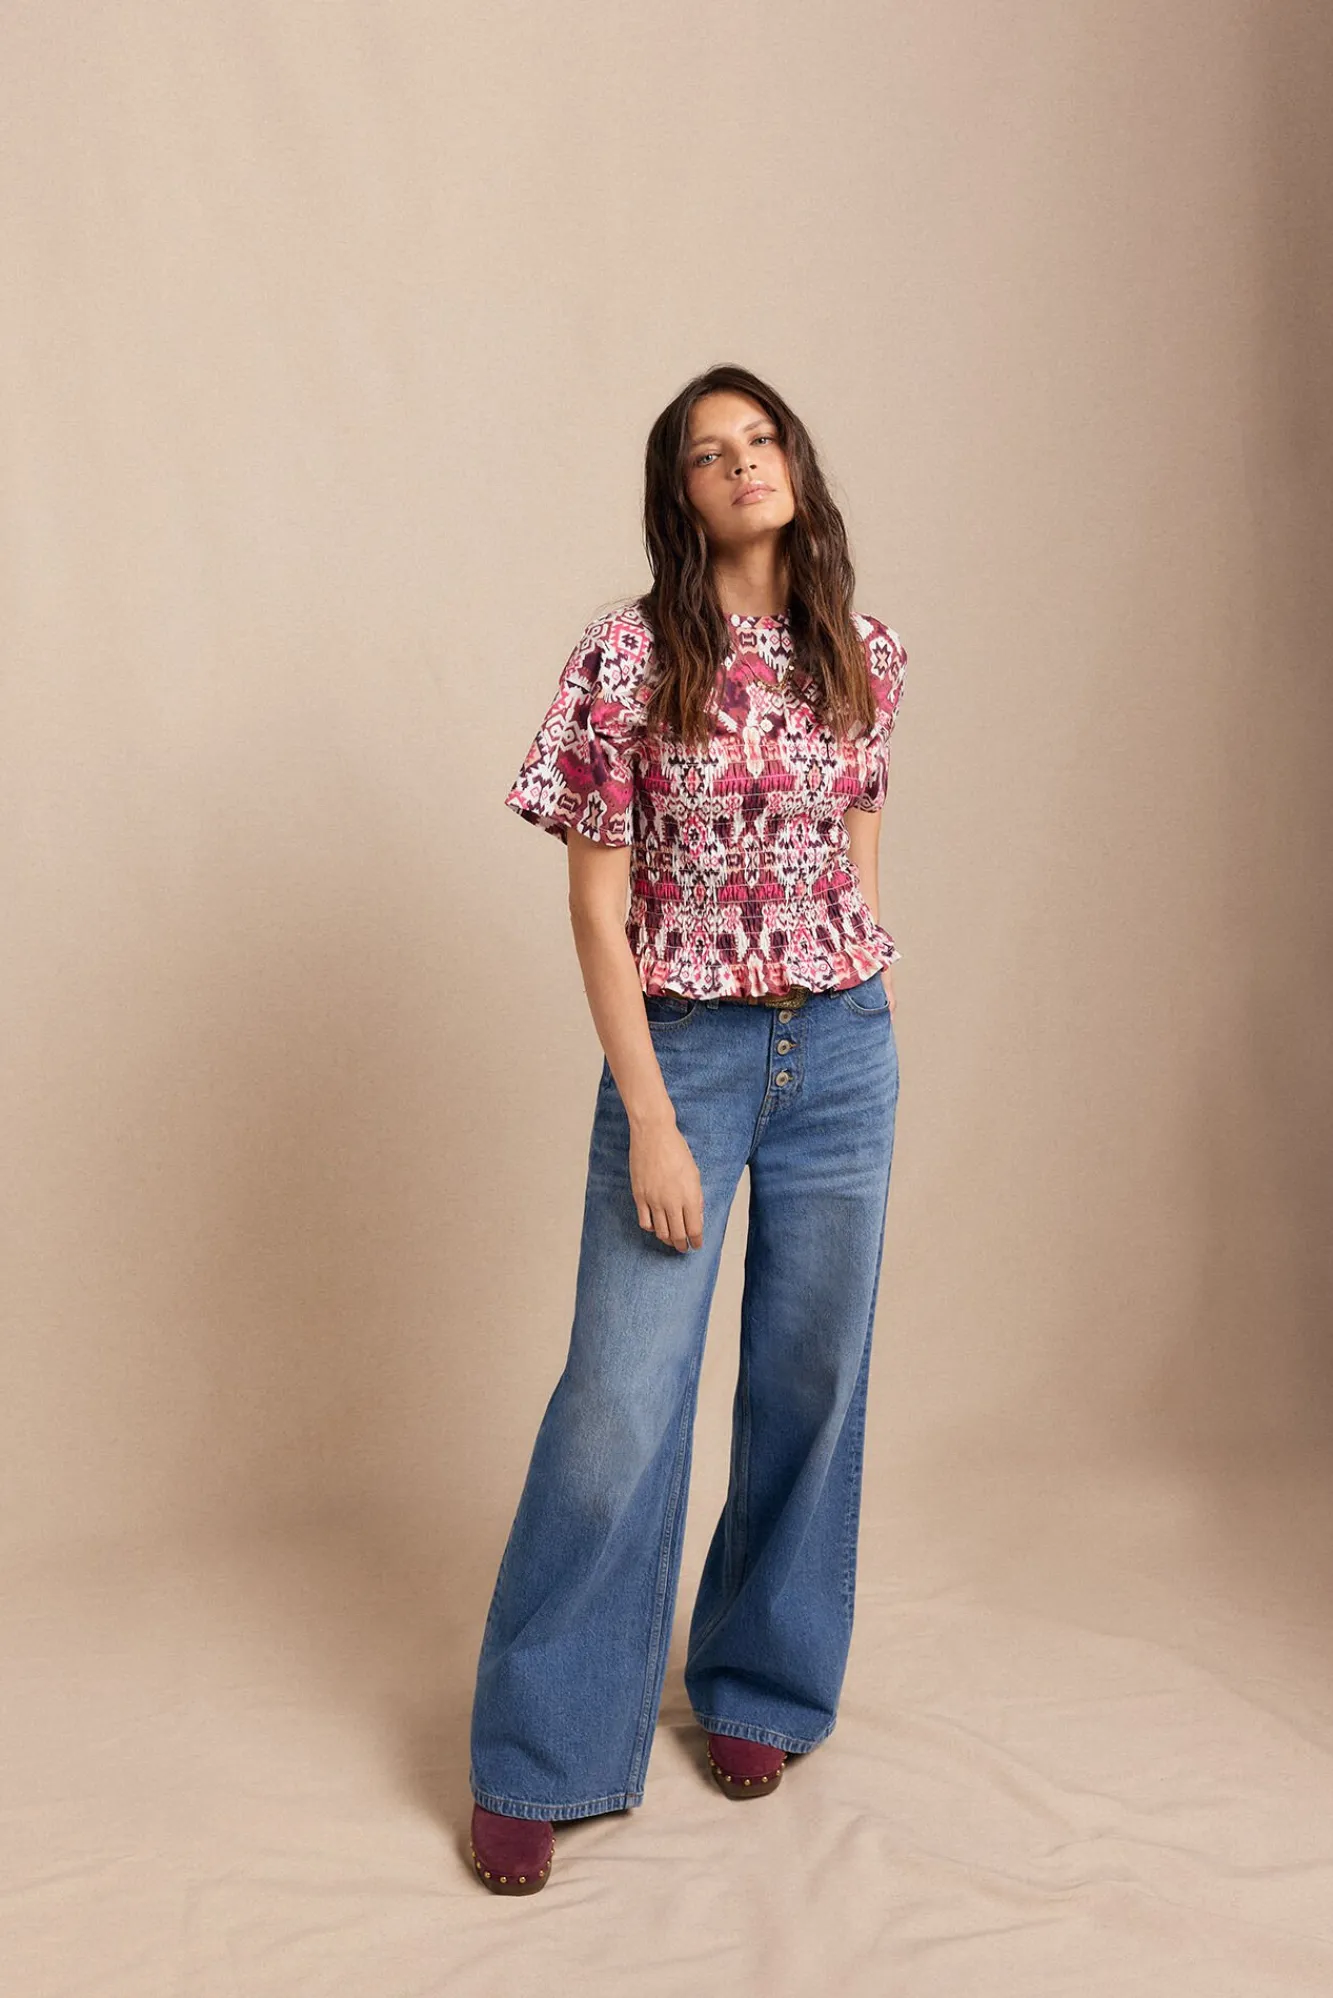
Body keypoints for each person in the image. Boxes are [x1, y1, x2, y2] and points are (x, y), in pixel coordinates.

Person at [467, 363, 906, 1895]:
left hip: (841, 1047)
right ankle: (542, 1751)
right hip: (690, 1057)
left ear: (795, 461)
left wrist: (864, 984)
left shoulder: (864, 648)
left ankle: (762, 1686)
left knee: (812, 1377)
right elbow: (595, 909)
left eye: (761, 438)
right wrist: (652, 1113)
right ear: (681, 494)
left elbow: (859, 834)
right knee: (619, 1400)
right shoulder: (627, 657)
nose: (743, 464)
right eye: (710, 453)